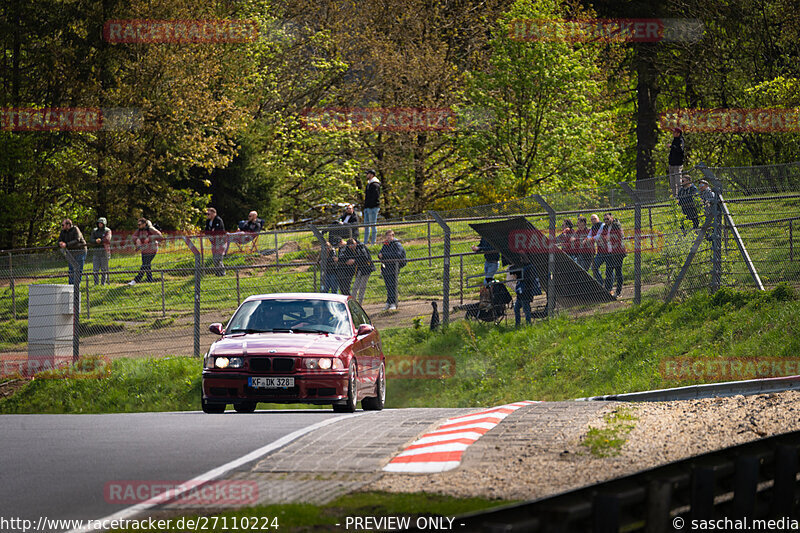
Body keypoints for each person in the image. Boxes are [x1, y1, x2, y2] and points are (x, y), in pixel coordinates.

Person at [594, 213, 626, 297]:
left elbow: (620, 236)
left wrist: (610, 238)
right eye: (604, 219)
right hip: (609, 253)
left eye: (607, 219)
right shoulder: (605, 227)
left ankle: (618, 292)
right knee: (608, 272)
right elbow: (601, 237)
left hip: (618, 252)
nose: (606, 221)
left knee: (618, 272)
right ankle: (608, 291)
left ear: (611, 218)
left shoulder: (616, 225)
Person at [128, 218, 162, 285]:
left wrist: (149, 238)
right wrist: (137, 239)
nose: (138, 226)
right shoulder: (139, 230)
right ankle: (150, 281)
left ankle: (135, 280)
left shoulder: (151, 229)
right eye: (138, 224)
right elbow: (133, 236)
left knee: (144, 265)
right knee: (147, 265)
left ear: (144, 224)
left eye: (139, 224)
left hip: (152, 250)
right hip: (144, 251)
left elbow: (160, 235)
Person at [378, 229, 406, 310]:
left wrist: (384, 255)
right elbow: (380, 253)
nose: (389, 237)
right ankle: (388, 302)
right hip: (386, 268)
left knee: (393, 285)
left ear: (393, 236)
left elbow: (398, 254)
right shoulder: (386, 244)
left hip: (394, 267)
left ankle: (393, 302)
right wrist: (380, 255)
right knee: (388, 285)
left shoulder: (396, 244)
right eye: (387, 236)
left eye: (390, 236)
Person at [57, 218, 87, 285]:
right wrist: (60, 243)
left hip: (80, 251)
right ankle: (71, 286)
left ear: (68, 225)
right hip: (70, 253)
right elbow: (59, 240)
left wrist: (66, 244)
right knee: (71, 269)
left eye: (63, 225)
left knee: (78, 269)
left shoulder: (75, 229)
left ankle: (76, 286)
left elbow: (77, 239)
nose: (62, 226)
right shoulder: (63, 231)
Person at [350, 239, 376, 304]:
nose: (351, 247)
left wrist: (355, 261)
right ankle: (353, 302)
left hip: (366, 269)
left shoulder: (361, 247)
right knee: (355, 286)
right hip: (359, 269)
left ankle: (360, 303)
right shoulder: (352, 249)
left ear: (355, 243)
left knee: (362, 286)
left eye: (352, 245)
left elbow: (365, 257)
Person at [203, 207, 226, 276]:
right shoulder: (208, 221)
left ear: (213, 213)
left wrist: (212, 232)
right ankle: (218, 272)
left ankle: (222, 272)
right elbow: (206, 231)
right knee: (214, 258)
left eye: (208, 214)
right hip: (213, 241)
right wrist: (211, 231)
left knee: (218, 258)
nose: (207, 215)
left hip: (220, 241)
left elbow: (218, 231)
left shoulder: (218, 220)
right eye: (206, 214)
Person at [90, 217, 112, 285]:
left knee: (104, 268)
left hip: (105, 251)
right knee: (95, 269)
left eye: (101, 223)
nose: (100, 224)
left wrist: (101, 241)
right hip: (96, 251)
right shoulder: (95, 230)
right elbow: (91, 239)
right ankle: (96, 283)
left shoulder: (107, 230)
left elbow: (107, 239)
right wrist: (96, 241)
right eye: (99, 223)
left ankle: (103, 283)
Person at [585, 214, 605, 286]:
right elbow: (589, 236)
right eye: (592, 219)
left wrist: (590, 239)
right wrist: (588, 239)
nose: (593, 220)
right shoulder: (593, 227)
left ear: (598, 219)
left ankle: (609, 287)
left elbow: (599, 236)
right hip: (600, 251)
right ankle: (600, 283)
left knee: (609, 269)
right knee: (594, 266)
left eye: (594, 218)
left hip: (608, 250)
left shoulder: (602, 225)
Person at [362, 169, 381, 245]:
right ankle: (365, 242)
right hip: (367, 207)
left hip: (373, 207)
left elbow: (375, 197)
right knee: (366, 226)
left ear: (372, 175)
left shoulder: (375, 184)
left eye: (368, 174)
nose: (367, 175)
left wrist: (371, 205)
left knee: (373, 225)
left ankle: (373, 242)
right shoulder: (369, 184)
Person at [668, 127, 685, 197]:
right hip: (671, 163)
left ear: (678, 133)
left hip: (678, 164)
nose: (673, 134)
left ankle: (680, 194)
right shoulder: (674, 140)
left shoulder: (681, 140)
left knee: (678, 181)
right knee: (672, 181)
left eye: (674, 132)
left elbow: (680, 150)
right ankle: (674, 195)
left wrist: (672, 147)